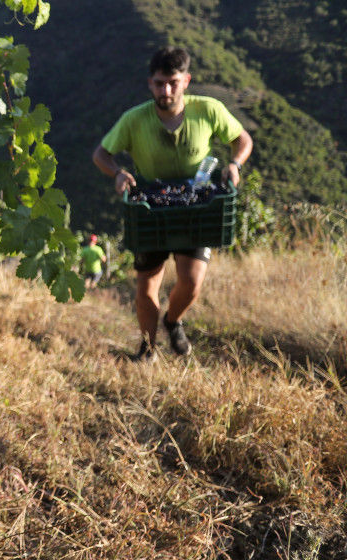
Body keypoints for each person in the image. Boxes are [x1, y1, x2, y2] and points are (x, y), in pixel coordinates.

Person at [91, 46, 253, 361]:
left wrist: (235, 164)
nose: (166, 90)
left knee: (191, 282)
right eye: (159, 83)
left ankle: (173, 320)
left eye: (173, 82)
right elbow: (101, 154)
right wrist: (118, 173)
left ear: (186, 81)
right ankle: (148, 350)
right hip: (151, 209)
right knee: (145, 289)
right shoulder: (133, 120)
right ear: (150, 83)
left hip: (196, 206)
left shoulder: (208, 110)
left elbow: (242, 139)